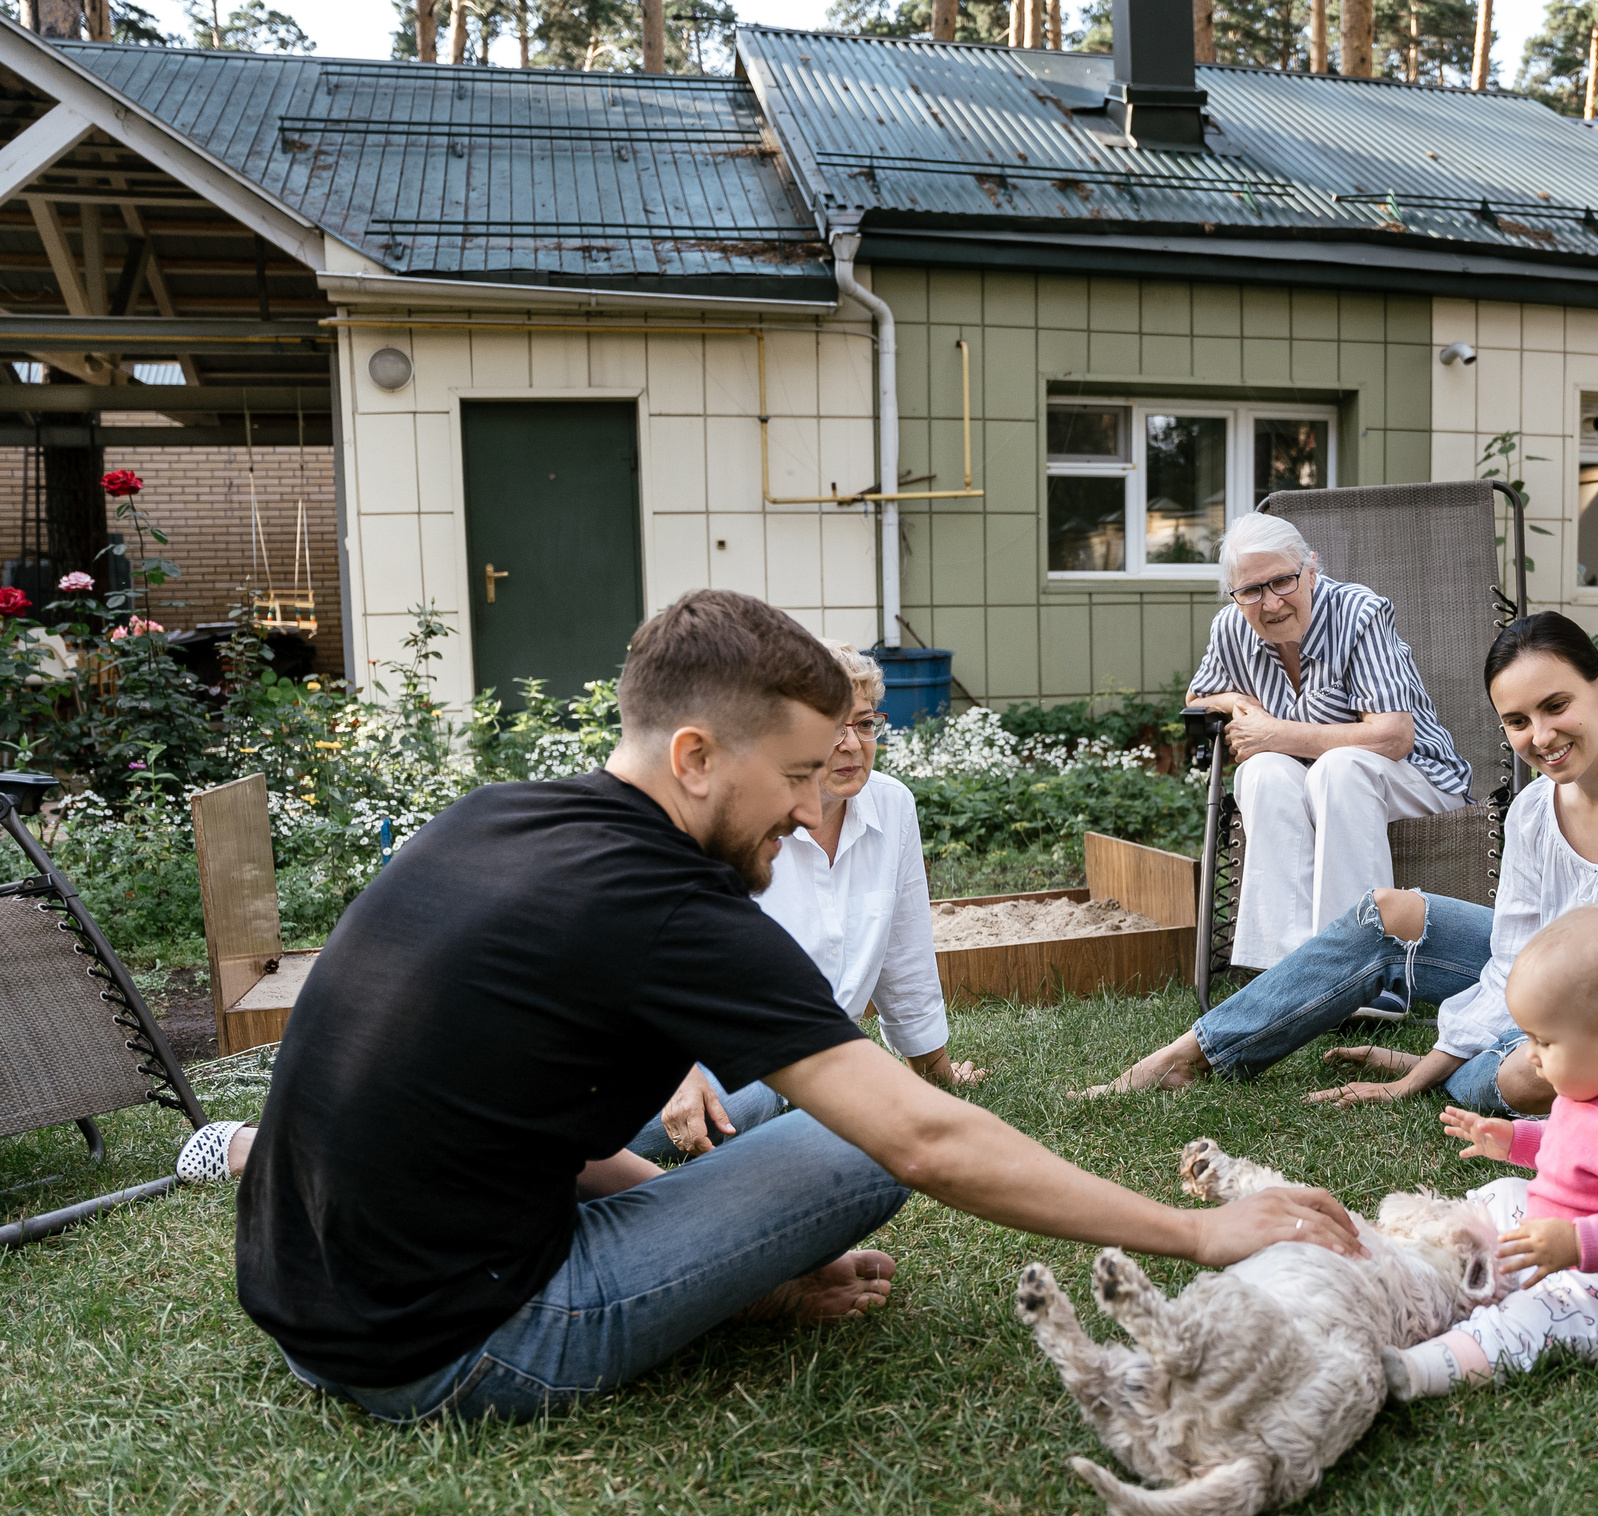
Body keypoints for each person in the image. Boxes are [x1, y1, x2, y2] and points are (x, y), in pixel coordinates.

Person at [197, 590, 1359, 1426]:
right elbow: (922, 1133)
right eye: (799, 775)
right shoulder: (667, 906)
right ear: (697, 755)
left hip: (320, 1310)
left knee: (762, 1097)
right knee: (856, 1141)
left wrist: (730, 1260)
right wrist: (1201, 1232)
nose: (813, 813)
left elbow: (516, 1113)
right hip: (455, 1349)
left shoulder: (499, 816)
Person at [1085, 611, 1598, 1139]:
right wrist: (1421, 1074)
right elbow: (1514, 957)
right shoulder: (1534, 811)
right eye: (1517, 720)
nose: (1541, 735)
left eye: (1557, 705)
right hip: (1548, 981)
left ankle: (1493, 1060)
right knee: (1388, 912)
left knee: (1522, 1071)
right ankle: (1199, 1049)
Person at [636, 641, 981, 1162]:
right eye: (829, 728)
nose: (850, 745)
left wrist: (937, 1074)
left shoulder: (892, 805)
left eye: (864, 724)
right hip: (682, 1046)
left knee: (739, 1107)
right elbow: (647, 961)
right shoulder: (730, 816)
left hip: (782, 1067)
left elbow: (905, 957)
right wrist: (676, 1069)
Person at [1387, 904, 1598, 1396]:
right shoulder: (1597, 1083)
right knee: (1502, 1192)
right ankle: (1426, 1252)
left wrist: (1576, 1244)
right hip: (1570, 1236)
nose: (1530, 1055)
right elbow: (1575, 1152)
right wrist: (1515, 1140)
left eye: (1542, 1041)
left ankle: (1420, 1369)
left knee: (1534, 1316)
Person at [1187, 512, 1471, 973]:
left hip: (1419, 778)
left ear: (1311, 570)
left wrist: (1276, 733)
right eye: (1251, 592)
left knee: (1339, 769)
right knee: (1262, 770)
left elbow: (1394, 737)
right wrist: (1236, 701)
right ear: (1235, 597)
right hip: (1318, 786)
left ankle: (1360, 973)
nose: (1271, 603)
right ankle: (1283, 976)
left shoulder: (1360, 613)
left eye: (1282, 581)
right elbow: (1197, 698)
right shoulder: (1231, 628)